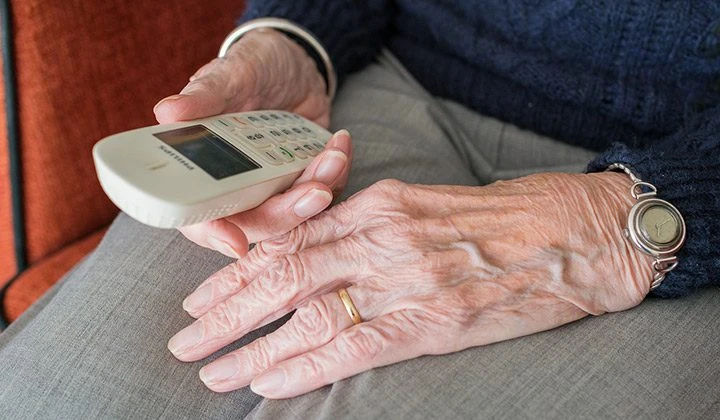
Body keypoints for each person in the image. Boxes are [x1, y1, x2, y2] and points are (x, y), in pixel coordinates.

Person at [1, 1, 719, 418]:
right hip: (380, 92)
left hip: (675, 189)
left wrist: (621, 223)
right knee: (53, 398)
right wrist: (293, 37)